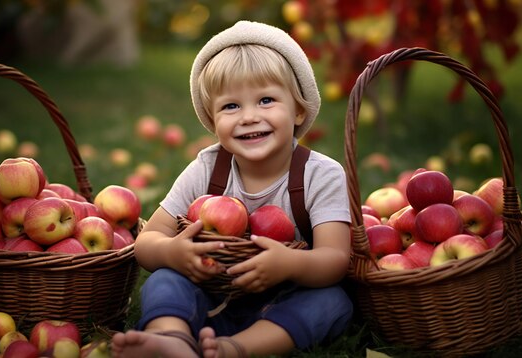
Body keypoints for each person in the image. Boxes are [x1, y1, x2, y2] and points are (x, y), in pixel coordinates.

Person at [111, 20, 353, 358]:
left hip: (283, 303)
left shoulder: (320, 175)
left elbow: (336, 259)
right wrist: (173, 254)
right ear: (212, 120)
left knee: (333, 301)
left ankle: (235, 348)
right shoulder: (207, 169)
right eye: (231, 106)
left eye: (266, 100)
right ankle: (171, 338)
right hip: (209, 298)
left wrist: (290, 264)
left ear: (299, 109)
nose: (249, 117)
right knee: (164, 280)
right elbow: (147, 242)